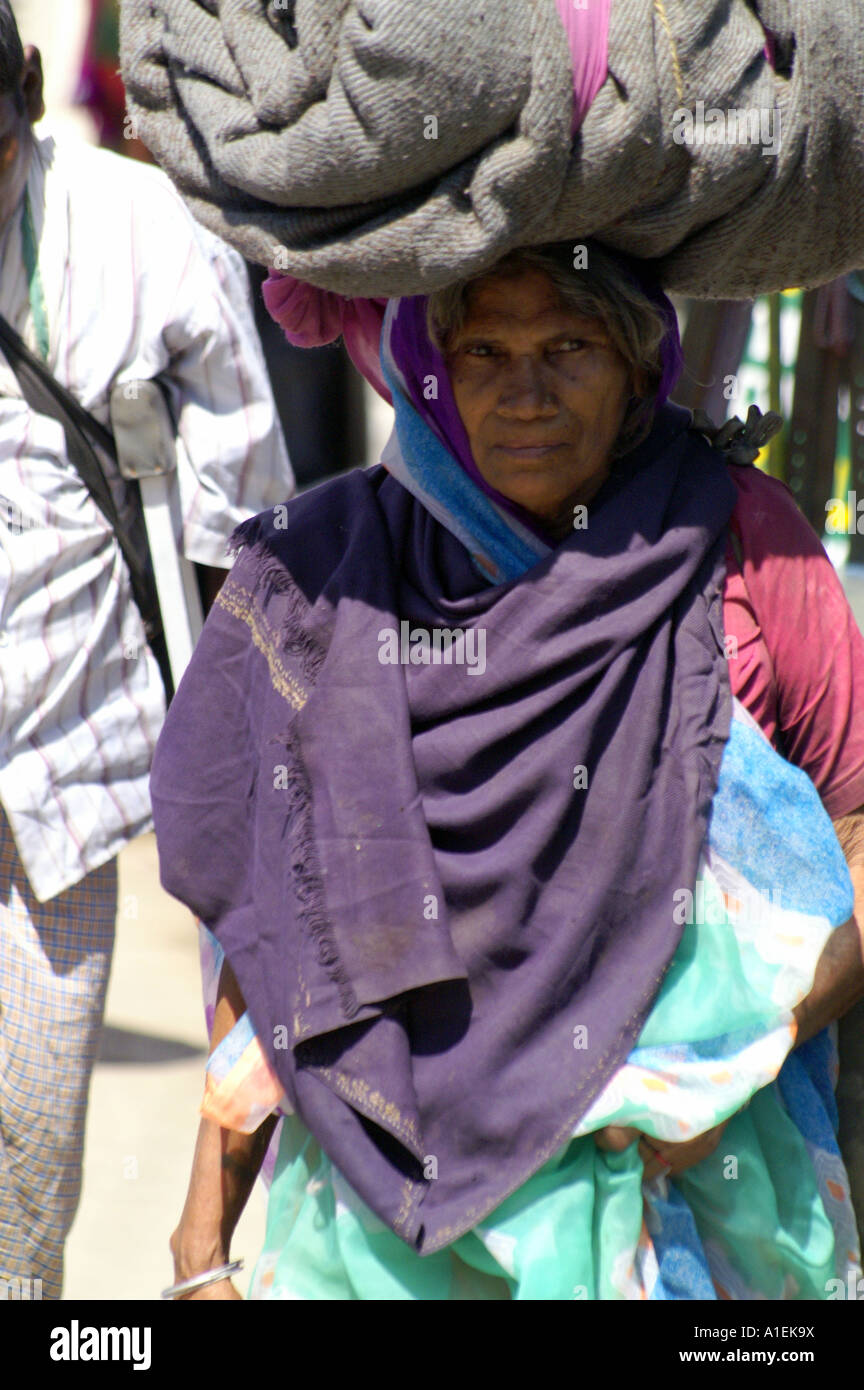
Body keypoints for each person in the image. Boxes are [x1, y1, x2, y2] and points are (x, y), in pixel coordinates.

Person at [151, 240, 864, 1301]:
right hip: (382, 1224)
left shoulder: (746, 546)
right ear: (436, 371)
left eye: (568, 346)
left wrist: (734, 1063)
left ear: (638, 367)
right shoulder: (340, 572)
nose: (524, 391)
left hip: (686, 1204)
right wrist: (201, 1238)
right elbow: (284, 930)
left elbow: (858, 829)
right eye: (485, 349)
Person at [0, 4, 294, 1300]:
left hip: (55, 786)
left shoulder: (139, 235)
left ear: (20, 102)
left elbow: (246, 532)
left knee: (26, 1175)